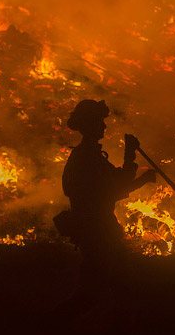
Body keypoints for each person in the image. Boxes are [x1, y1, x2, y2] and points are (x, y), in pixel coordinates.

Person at [55, 99, 157, 317]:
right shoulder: (87, 158)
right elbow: (115, 188)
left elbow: (115, 184)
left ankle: (111, 332)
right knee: (93, 293)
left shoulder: (87, 156)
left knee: (116, 285)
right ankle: (54, 329)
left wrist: (138, 173)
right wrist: (130, 156)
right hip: (96, 231)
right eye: (99, 122)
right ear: (90, 125)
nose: (104, 126)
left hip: (98, 229)